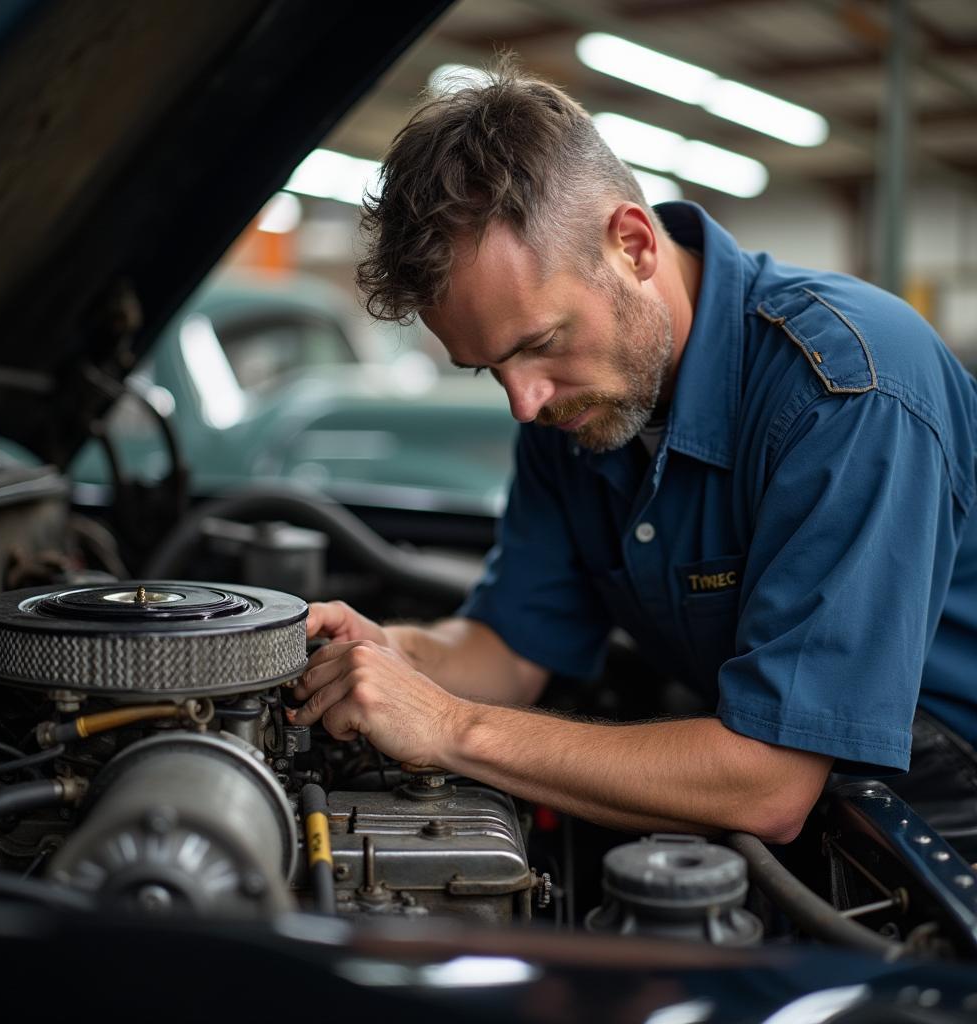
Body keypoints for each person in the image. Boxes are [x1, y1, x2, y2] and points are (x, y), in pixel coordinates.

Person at [291, 62, 977, 850]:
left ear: (633, 245)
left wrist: (449, 726)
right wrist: (389, 657)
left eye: (540, 344)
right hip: (788, 788)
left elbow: (768, 783)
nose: (523, 402)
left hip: (948, 808)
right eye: (490, 370)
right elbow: (511, 651)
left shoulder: (850, 391)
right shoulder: (577, 405)